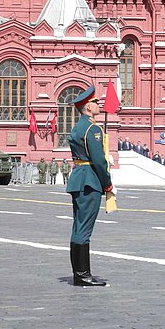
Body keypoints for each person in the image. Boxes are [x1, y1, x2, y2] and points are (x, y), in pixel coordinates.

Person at [66, 85, 117, 287]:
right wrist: (108, 183)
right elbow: (98, 160)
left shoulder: (78, 127)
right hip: (90, 180)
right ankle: (83, 275)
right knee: (84, 229)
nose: (98, 105)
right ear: (88, 107)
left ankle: (79, 274)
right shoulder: (93, 128)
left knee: (78, 227)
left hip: (79, 178)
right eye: (95, 102)